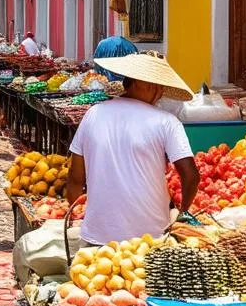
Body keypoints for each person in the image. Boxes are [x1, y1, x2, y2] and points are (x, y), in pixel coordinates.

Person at [65, 53, 200, 247]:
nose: (160, 92)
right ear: (142, 83)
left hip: (98, 238)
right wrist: (183, 212)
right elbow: (191, 176)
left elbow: (76, 177)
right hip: (151, 238)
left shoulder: (94, 114)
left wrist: (75, 213)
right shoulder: (167, 122)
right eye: (158, 86)